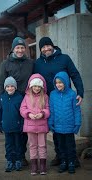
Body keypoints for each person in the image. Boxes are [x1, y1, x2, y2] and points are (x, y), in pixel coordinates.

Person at [34, 37, 84, 167]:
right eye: (43, 47)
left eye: (48, 46)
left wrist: (80, 92)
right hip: (49, 101)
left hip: (66, 99)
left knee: (67, 132)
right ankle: (60, 156)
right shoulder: (38, 63)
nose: (46, 49)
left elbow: (75, 75)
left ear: (53, 46)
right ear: (40, 50)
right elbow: (34, 81)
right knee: (56, 131)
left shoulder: (64, 58)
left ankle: (72, 158)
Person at [0, 37, 34, 166]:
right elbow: (1, 83)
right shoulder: (5, 64)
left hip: (27, 100)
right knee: (12, 131)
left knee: (23, 130)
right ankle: (11, 157)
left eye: (22, 47)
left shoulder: (30, 63)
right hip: (11, 100)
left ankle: (21, 156)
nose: (20, 50)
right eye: (17, 47)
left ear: (25, 49)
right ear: (13, 49)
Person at [48, 71, 81, 174]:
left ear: (66, 82)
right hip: (58, 127)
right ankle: (63, 162)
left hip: (69, 127)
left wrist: (77, 124)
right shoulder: (53, 94)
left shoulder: (72, 94)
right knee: (60, 146)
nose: (58, 85)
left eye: (61, 82)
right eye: (57, 82)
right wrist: (51, 122)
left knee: (70, 147)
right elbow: (52, 110)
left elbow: (76, 111)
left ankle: (71, 162)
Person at [20, 74, 50, 175]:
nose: (36, 88)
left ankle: (42, 165)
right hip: (30, 125)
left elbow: (48, 108)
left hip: (42, 125)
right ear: (31, 86)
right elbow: (22, 109)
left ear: (41, 87)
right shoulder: (27, 97)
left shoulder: (45, 97)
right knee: (32, 145)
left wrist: (42, 113)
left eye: (38, 86)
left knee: (42, 145)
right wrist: (28, 114)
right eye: (35, 86)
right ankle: (34, 165)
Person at [0, 76, 24, 172]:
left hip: (17, 127)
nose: (10, 88)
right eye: (7, 86)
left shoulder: (19, 98)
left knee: (18, 145)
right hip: (7, 127)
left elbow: (22, 113)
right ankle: (9, 161)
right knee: (8, 145)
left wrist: (22, 125)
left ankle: (18, 160)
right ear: (5, 87)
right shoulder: (2, 98)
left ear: (15, 87)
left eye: (12, 86)